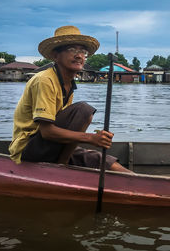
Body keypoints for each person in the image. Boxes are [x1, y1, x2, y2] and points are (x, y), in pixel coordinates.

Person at [9, 25, 131, 173]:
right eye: (72, 50)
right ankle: (62, 166)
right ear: (56, 55)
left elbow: (66, 128)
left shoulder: (68, 84)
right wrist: (91, 138)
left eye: (82, 51)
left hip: (52, 146)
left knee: (102, 161)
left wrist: (90, 139)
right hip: (28, 149)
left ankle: (142, 184)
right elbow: (47, 132)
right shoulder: (44, 80)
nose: (79, 55)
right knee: (84, 110)